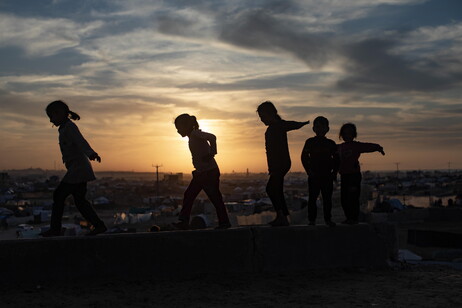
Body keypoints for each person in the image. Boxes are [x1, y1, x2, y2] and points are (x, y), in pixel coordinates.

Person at [41, 100, 107, 237]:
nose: (51, 121)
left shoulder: (70, 127)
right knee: (80, 201)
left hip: (78, 170)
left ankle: (55, 229)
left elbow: (80, 140)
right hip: (78, 169)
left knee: (59, 195)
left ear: (59, 113)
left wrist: (91, 153)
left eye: (52, 117)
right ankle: (99, 225)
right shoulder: (64, 128)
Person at [172, 114, 231, 230]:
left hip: (208, 173)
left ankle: (224, 222)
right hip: (201, 173)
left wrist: (212, 153)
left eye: (179, 128)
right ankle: (184, 221)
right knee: (190, 195)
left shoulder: (195, 134)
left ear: (186, 126)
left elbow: (212, 137)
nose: (178, 131)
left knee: (214, 197)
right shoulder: (193, 136)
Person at [257, 101, 310, 227]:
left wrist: (302, 124)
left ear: (272, 114)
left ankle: (282, 216)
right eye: (260, 117)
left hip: (281, 164)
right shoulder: (271, 129)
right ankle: (282, 216)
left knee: (271, 189)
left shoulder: (278, 126)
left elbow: (290, 124)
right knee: (276, 190)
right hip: (276, 165)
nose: (262, 120)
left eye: (263, 116)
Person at [337, 123, 385, 224]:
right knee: (344, 199)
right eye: (345, 133)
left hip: (354, 176)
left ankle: (354, 219)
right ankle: (349, 217)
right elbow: (328, 151)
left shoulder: (356, 146)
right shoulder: (339, 147)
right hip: (344, 176)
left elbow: (367, 146)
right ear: (341, 135)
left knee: (353, 198)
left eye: (349, 133)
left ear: (354, 135)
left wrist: (378, 147)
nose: (347, 135)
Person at [301, 116, 339, 227]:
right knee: (312, 198)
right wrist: (308, 171)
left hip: (327, 175)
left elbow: (337, 159)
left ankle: (328, 219)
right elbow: (304, 157)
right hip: (314, 175)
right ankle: (311, 220)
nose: (319, 129)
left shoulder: (331, 144)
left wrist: (334, 173)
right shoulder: (310, 142)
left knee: (327, 199)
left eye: (322, 126)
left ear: (327, 129)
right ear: (313, 129)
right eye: (317, 126)